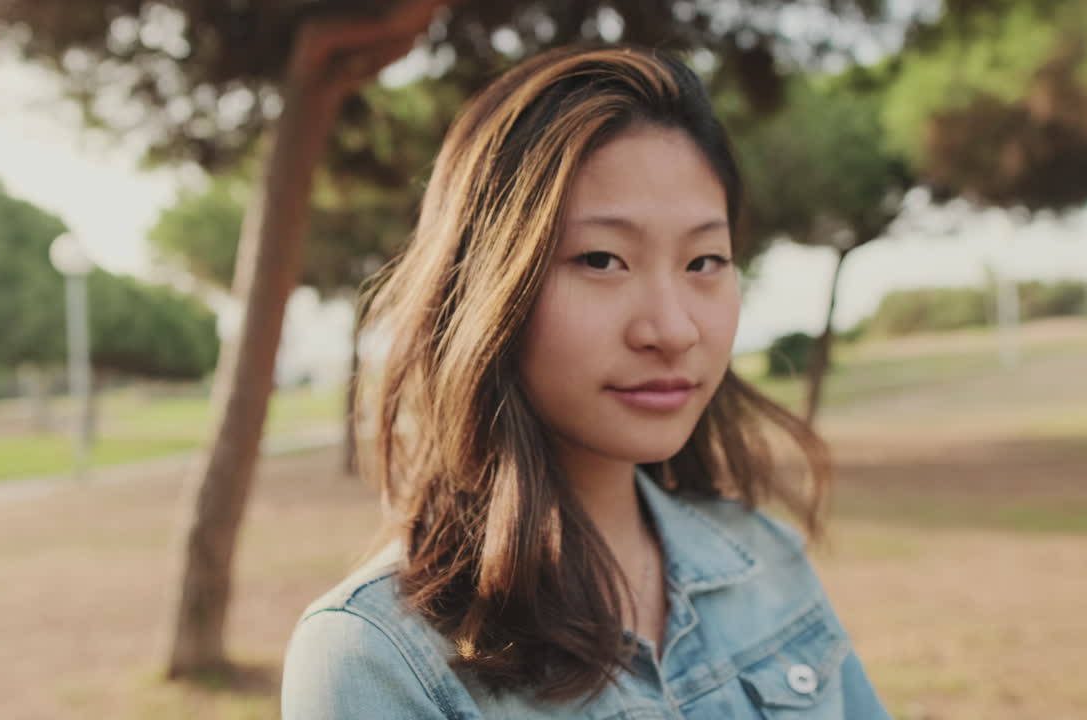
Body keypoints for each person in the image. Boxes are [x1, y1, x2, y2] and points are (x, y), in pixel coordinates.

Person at [281, 45, 893, 719]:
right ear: (486, 288)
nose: (672, 328)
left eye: (704, 261)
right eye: (602, 259)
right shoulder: (379, 658)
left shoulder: (764, 562)